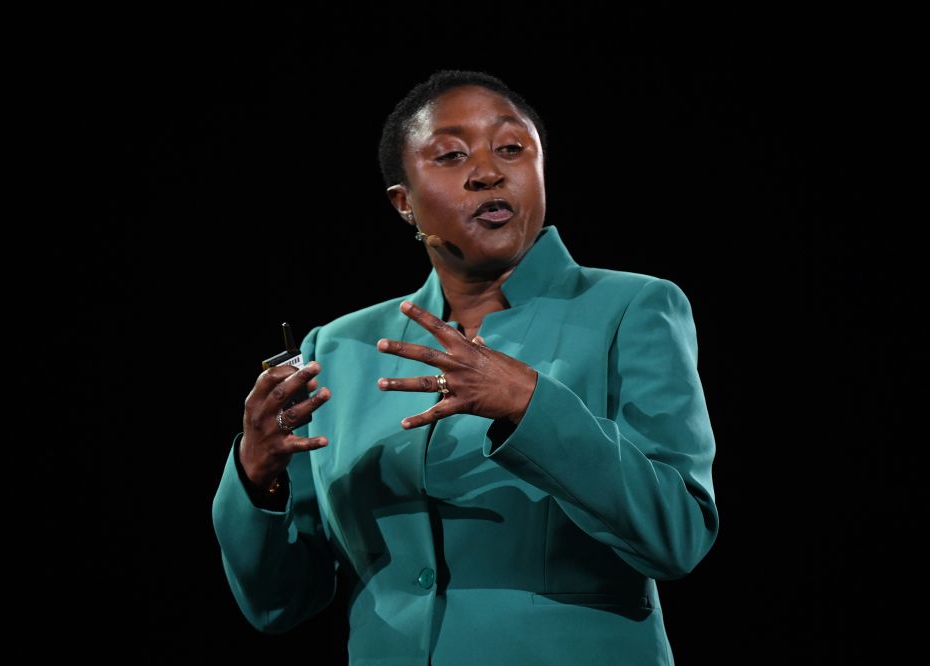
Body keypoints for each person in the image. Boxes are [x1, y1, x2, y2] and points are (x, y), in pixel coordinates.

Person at [212, 69, 719, 665]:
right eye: (452, 155)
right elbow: (277, 604)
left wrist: (530, 405)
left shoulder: (633, 308)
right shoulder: (338, 348)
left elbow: (678, 536)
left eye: (512, 148)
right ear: (403, 203)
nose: (487, 171)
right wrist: (255, 478)